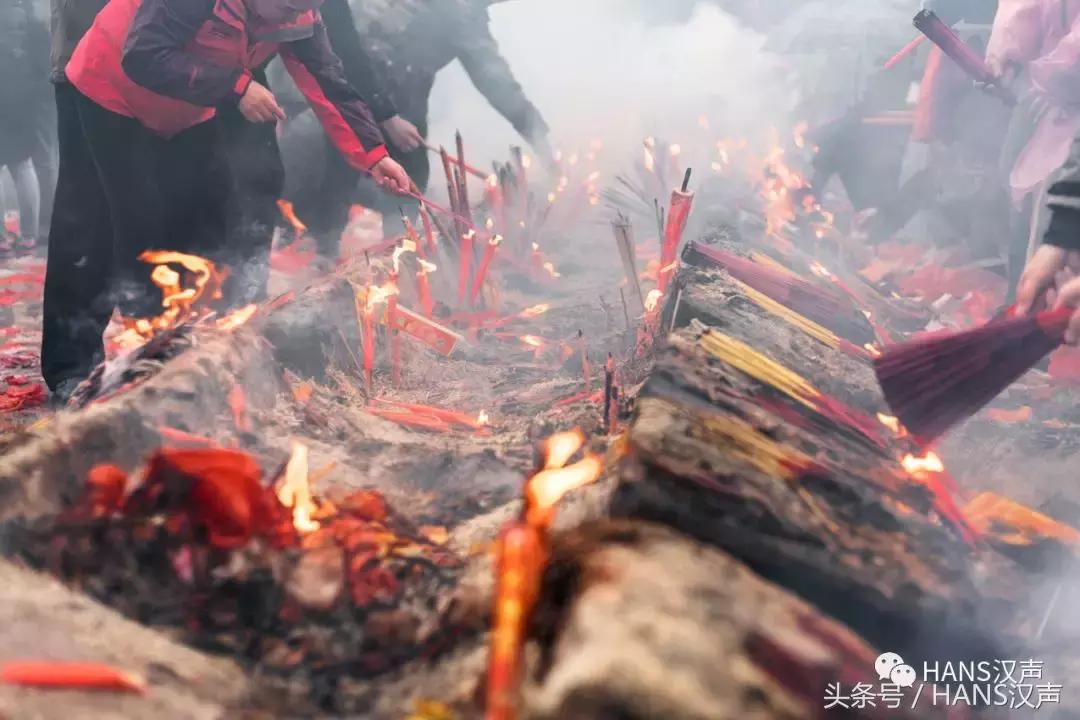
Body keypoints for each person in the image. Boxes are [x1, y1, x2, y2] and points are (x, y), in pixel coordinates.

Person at [40, 0, 410, 400]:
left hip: (187, 106)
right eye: (286, 7)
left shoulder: (298, 11)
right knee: (103, 227)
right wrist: (237, 86)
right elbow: (143, 54)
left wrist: (374, 157)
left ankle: (179, 359)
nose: (292, 17)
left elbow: (327, 81)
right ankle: (73, 371)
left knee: (207, 222)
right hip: (109, 88)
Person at [287, 0, 551, 251]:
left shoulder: (462, 11)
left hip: (382, 88)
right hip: (375, 85)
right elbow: (496, 83)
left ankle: (336, 247)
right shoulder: (461, 12)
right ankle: (365, 249)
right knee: (395, 173)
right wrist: (388, 118)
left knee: (359, 170)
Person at [987, 0, 1080, 299]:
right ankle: (1021, 307)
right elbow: (1016, 24)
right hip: (1043, 100)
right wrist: (1007, 66)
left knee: (1051, 208)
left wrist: (1057, 81)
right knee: (1026, 208)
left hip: (1061, 103)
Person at [0, 0, 52, 253]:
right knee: (24, 164)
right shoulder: (32, 23)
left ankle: (0, 239)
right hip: (25, 97)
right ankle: (31, 235)